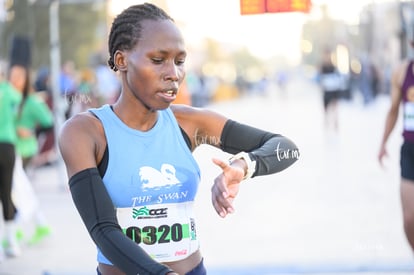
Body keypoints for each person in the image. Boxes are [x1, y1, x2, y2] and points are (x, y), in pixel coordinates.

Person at [58, 3, 299, 275]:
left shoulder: (190, 124)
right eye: (158, 60)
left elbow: (287, 149)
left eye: (180, 61)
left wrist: (243, 166)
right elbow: (103, 229)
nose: (174, 74)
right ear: (122, 61)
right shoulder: (85, 132)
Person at [9, 64, 53, 244]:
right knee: (18, 189)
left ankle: (19, 229)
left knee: (17, 188)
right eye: (12, 76)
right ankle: (22, 228)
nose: (14, 80)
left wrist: (30, 130)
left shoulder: (31, 101)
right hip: (12, 148)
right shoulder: (11, 97)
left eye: (18, 77)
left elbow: (48, 123)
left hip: (24, 150)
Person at [378, 54, 414, 252]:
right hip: (410, 149)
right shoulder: (402, 72)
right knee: (409, 219)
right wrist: (383, 143)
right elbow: (393, 110)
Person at [0, 63, 22, 259]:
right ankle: (11, 242)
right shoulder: (9, 91)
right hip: (7, 145)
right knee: (6, 193)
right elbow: (21, 105)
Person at [317, 49, 345, 132]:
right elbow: (319, 78)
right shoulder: (322, 67)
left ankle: (335, 125)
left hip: (334, 90)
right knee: (326, 110)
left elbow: (338, 77)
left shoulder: (334, 66)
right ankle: (327, 124)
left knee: (335, 109)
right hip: (326, 91)